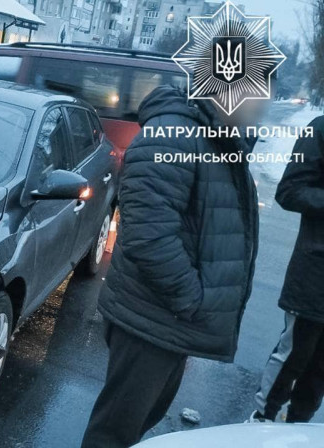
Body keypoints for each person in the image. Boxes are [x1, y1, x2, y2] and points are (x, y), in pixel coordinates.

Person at [81, 85, 264, 448]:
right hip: (154, 317)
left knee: (138, 422)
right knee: (114, 432)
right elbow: (148, 235)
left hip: (169, 320)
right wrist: (190, 299)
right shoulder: (173, 135)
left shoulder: (212, 136)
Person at [249, 115, 324, 424]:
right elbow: (289, 191)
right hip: (315, 273)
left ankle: (298, 429)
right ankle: (261, 419)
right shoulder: (319, 129)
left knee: (320, 369)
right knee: (294, 355)